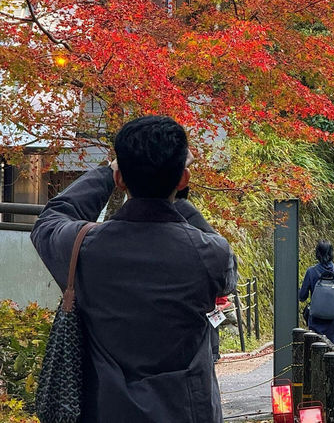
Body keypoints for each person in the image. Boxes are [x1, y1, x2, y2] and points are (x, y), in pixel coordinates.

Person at [31, 115, 237, 423]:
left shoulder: (84, 248)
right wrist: (175, 196)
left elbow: (52, 219)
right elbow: (221, 263)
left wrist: (107, 172)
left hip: (104, 411)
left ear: (121, 180)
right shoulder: (210, 255)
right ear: (183, 179)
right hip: (185, 412)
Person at [299, 240, 334, 344]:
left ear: (317, 253)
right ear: (331, 253)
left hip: (315, 318)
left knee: (314, 347)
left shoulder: (311, 272)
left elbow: (302, 296)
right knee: (331, 349)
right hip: (332, 320)